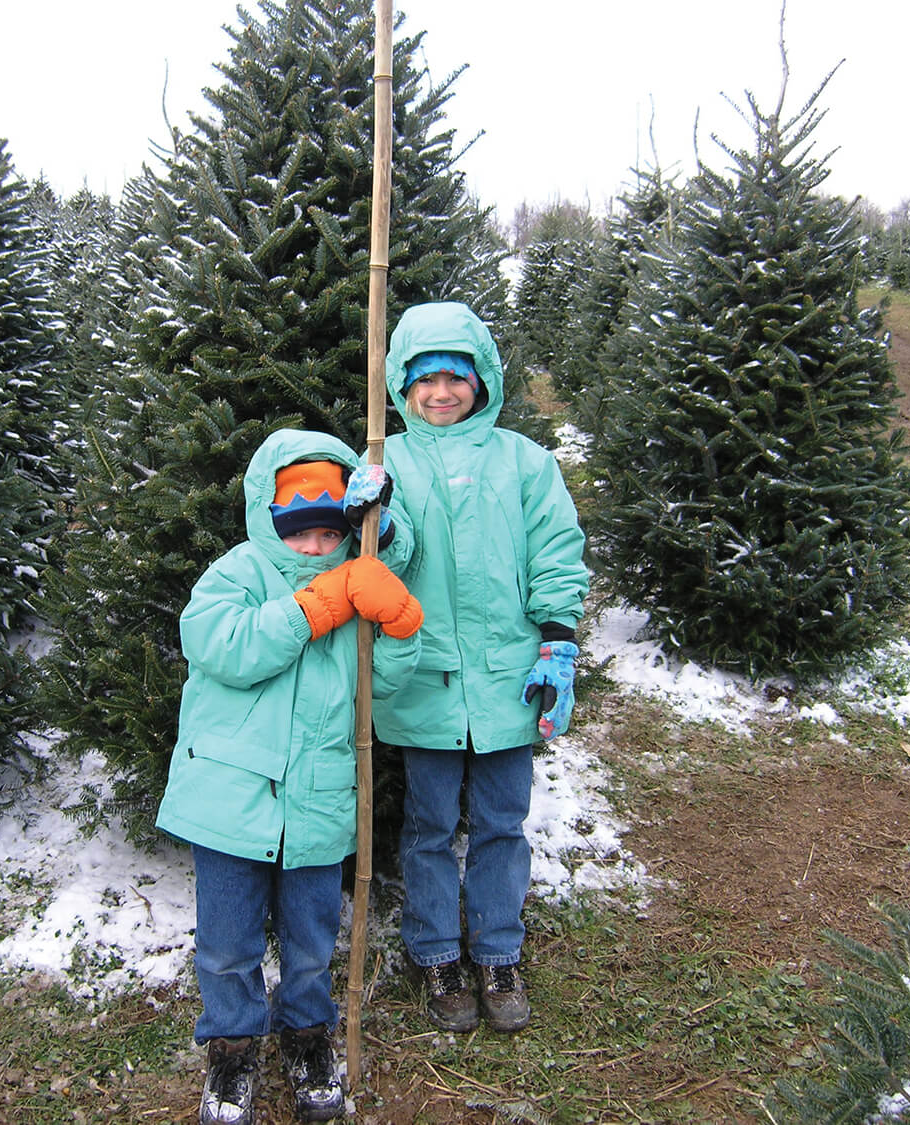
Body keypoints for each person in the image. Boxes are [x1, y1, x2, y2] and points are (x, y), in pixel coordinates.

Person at [157, 428, 423, 1125]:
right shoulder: (237, 574)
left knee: (310, 937)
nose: (312, 547)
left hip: (317, 799)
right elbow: (224, 647)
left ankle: (308, 1034)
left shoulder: (356, 584)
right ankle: (232, 1045)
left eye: (326, 533)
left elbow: (383, 688)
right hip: (228, 803)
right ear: (268, 519)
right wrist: (320, 603)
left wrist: (396, 622)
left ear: (345, 530)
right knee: (226, 941)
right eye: (297, 531)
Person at [372, 300, 589, 1035]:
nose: (441, 393)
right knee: (429, 824)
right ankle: (435, 951)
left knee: (503, 819)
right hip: (426, 683)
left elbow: (556, 553)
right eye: (424, 379)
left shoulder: (524, 463)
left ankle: (498, 949)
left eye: (455, 377)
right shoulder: (384, 462)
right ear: (402, 388)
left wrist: (556, 639)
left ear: (482, 380)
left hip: (507, 682)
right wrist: (378, 521)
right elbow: (377, 568)